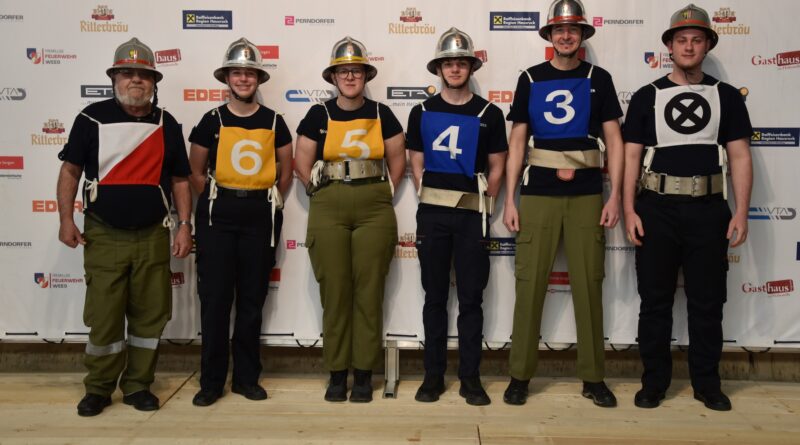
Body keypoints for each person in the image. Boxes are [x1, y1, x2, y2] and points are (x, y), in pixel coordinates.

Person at [622, 3, 752, 411]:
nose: (689, 47)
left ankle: (707, 384)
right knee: (655, 301)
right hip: (655, 209)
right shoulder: (646, 96)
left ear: (707, 45)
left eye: (697, 40)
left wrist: (742, 211)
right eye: (681, 40)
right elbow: (630, 157)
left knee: (707, 302)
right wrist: (628, 209)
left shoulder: (727, 96)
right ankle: (654, 382)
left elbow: (740, 156)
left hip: (709, 210)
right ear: (670, 46)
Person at [56, 37, 192, 416]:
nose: (135, 80)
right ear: (114, 78)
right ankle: (99, 388)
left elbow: (181, 180)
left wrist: (185, 225)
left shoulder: (167, 124)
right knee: (104, 315)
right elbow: (70, 171)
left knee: (151, 315)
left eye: (143, 75)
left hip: (153, 233)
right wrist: (66, 219)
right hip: (103, 233)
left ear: (154, 82)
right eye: (127, 73)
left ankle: (138, 386)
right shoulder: (91, 118)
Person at [502, 0, 624, 407]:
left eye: (573, 29)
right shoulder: (530, 78)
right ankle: (520, 375)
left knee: (588, 285)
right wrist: (510, 199)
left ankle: (593, 377)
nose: (566, 36)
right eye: (559, 30)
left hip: (587, 194)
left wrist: (615, 196)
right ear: (550, 36)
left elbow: (615, 142)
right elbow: (517, 141)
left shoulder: (599, 78)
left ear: (582, 34)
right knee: (529, 285)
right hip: (538, 193)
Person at [294, 36, 405, 403]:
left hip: (374, 205)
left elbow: (398, 161)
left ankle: (364, 374)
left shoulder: (382, 113)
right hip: (329, 204)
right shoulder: (318, 114)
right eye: (343, 71)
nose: (350, 76)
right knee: (335, 291)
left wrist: (383, 193)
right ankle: (337, 373)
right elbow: (301, 162)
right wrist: (320, 194)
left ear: (365, 75)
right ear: (333, 77)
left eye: (356, 70)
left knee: (369, 293)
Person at [187, 38, 293, 407]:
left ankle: (246, 378)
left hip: (259, 220)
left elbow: (286, 173)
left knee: (251, 301)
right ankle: (211, 381)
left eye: (250, 73)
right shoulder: (211, 120)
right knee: (215, 302)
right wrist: (222, 200)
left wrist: (261, 201)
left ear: (258, 78)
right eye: (237, 73)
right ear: (227, 78)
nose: (244, 79)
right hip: (218, 220)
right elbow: (195, 172)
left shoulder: (274, 121)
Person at [406, 27, 507, 406]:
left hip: (471, 218)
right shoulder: (421, 111)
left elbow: (497, 166)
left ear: (470, 67)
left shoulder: (489, 113)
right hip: (432, 215)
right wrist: (432, 194)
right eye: (448, 63)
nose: (454, 69)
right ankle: (432, 377)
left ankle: (470, 378)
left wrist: (482, 202)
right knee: (434, 297)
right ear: (439, 68)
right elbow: (416, 163)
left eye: (461, 63)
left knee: (470, 299)